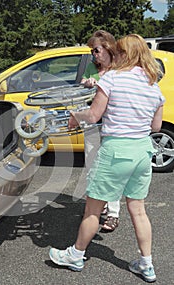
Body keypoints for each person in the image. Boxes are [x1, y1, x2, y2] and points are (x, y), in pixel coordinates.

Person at [49, 34, 164, 283]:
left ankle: (75, 255)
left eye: (119, 51)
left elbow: (93, 115)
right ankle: (147, 264)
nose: (116, 55)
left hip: (116, 152)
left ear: (126, 54)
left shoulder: (112, 78)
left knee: (93, 209)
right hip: (143, 152)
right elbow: (156, 127)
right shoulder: (153, 86)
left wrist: (74, 116)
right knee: (139, 210)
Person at [81, 30, 120, 232]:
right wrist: (88, 84)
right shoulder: (91, 67)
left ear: (108, 48)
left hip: (112, 125)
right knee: (92, 166)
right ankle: (98, 207)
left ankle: (113, 212)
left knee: (111, 169)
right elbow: (81, 86)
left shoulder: (119, 69)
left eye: (96, 50)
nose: (93, 55)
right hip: (92, 124)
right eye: (92, 51)